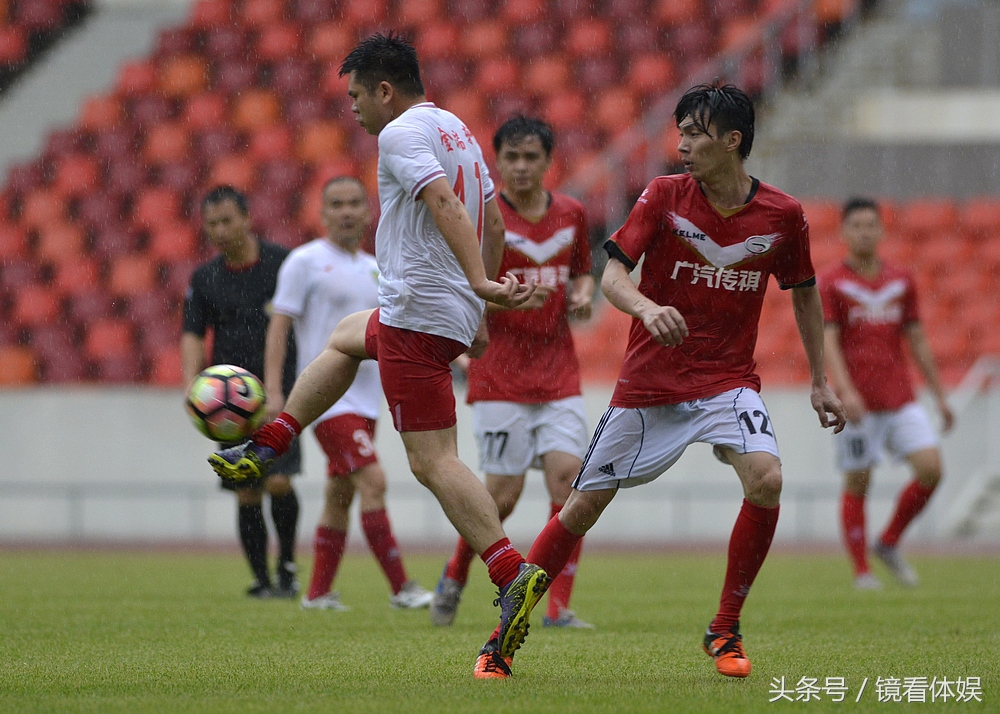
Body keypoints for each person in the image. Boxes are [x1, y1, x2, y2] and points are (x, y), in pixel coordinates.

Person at [472, 83, 847, 680]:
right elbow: (613, 273)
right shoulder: (665, 195)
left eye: (695, 132)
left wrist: (821, 380)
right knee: (580, 507)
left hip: (727, 381)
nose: (682, 144)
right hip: (651, 384)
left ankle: (725, 627)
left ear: (732, 140)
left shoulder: (783, 214)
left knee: (767, 479)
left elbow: (804, 293)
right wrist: (646, 309)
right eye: (680, 131)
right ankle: (501, 640)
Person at [208, 33, 548, 664]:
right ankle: (268, 443)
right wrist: (477, 314)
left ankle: (510, 573)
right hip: (433, 312)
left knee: (433, 462)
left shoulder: (398, 136)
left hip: (418, 309)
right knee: (344, 338)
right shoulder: (459, 132)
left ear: (385, 90)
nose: (355, 110)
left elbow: (442, 203)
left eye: (357, 95)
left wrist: (479, 285)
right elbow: (493, 222)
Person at [430, 116, 595, 629]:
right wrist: (509, 301)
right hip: (499, 374)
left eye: (531, 158)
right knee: (500, 497)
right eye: (512, 158)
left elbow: (582, 271)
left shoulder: (572, 214)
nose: (521, 167)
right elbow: (464, 292)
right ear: (496, 162)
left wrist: (584, 294)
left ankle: (557, 607)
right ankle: (455, 575)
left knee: (571, 485)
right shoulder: (481, 219)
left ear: (548, 162)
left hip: (559, 373)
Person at [265, 176, 433, 610]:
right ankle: (402, 588)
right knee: (373, 480)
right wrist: (274, 389)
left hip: (366, 400)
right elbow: (280, 325)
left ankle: (318, 594)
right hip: (325, 400)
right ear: (321, 214)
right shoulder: (304, 262)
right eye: (336, 204)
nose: (345, 211)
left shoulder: (376, 266)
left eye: (354, 203)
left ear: (367, 211)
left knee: (340, 495)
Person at [819, 197, 954, 590]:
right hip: (857, 404)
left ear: (881, 230)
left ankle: (890, 541)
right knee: (859, 481)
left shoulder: (901, 279)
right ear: (844, 232)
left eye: (870, 225)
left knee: (932, 469)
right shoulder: (831, 282)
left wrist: (940, 396)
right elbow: (828, 340)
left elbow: (916, 338)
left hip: (900, 398)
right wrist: (845, 390)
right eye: (856, 225)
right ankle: (862, 572)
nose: (864, 231)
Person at [181, 185, 301, 599]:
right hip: (227, 407)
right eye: (212, 223)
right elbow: (193, 335)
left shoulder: (283, 265)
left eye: (227, 220)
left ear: (247, 218)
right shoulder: (205, 278)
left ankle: (287, 570)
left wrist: (280, 387)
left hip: (279, 394)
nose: (219, 230)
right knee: (246, 489)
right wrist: (190, 387)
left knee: (279, 483)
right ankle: (262, 580)